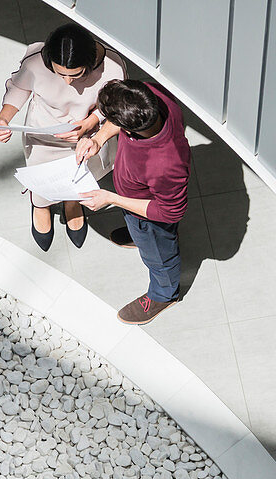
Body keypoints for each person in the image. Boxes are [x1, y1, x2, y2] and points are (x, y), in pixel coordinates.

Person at [0, 24, 125, 251]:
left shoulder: (112, 66)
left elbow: (115, 104)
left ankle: (72, 203)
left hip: (86, 136)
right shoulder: (35, 61)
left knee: (80, 175)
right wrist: (3, 118)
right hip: (43, 131)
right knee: (42, 175)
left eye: (76, 74)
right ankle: (40, 205)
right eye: (60, 73)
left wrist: (90, 123)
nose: (68, 82)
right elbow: (19, 87)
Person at [77, 79, 191, 325]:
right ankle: (140, 235)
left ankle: (164, 294)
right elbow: (117, 122)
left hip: (148, 216)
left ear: (129, 130)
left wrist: (111, 198)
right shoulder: (150, 96)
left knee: (159, 256)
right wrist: (98, 139)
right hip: (141, 197)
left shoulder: (165, 165)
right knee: (146, 234)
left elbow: (170, 212)